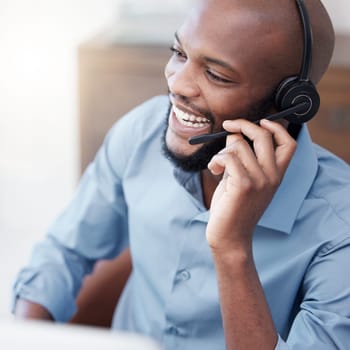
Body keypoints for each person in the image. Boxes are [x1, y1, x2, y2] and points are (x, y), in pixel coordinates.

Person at [12, 0, 350, 349]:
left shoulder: (341, 230)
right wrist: (24, 335)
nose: (178, 84)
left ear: (291, 103)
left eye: (217, 75)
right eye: (179, 53)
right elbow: (64, 252)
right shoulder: (142, 131)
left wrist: (232, 248)